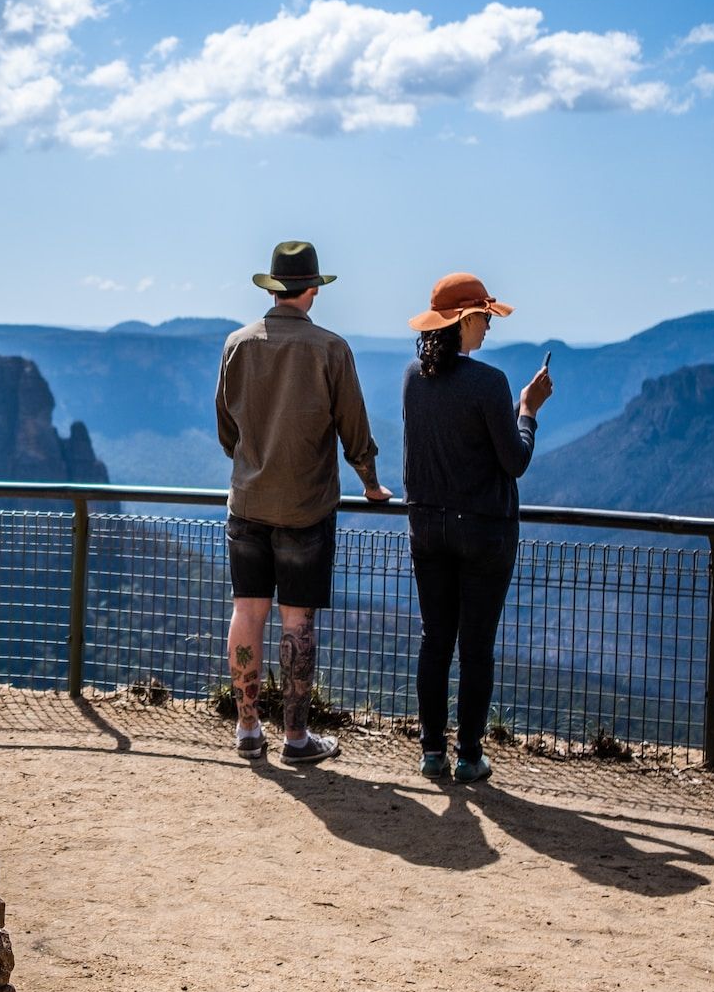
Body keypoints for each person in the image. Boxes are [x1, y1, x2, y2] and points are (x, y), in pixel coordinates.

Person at [217, 240, 393, 764]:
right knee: (298, 623)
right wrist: (371, 483)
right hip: (305, 509)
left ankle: (248, 731)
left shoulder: (237, 344)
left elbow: (228, 428)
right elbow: (353, 430)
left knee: (247, 611)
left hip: (246, 503)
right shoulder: (331, 349)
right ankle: (296, 739)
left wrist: (251, 460)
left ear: (274, 289)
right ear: (312, 290)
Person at [401, 272, 553, 783]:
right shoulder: (491, 383)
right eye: (484, 317)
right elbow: (514, 461)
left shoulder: (412, 379)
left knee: (435, 640)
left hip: (427, 528)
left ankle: (431, 752)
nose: (488, 327)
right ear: (465, 320)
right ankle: (468, 755)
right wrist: (527, 413)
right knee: (476, 646)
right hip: (484, 533)